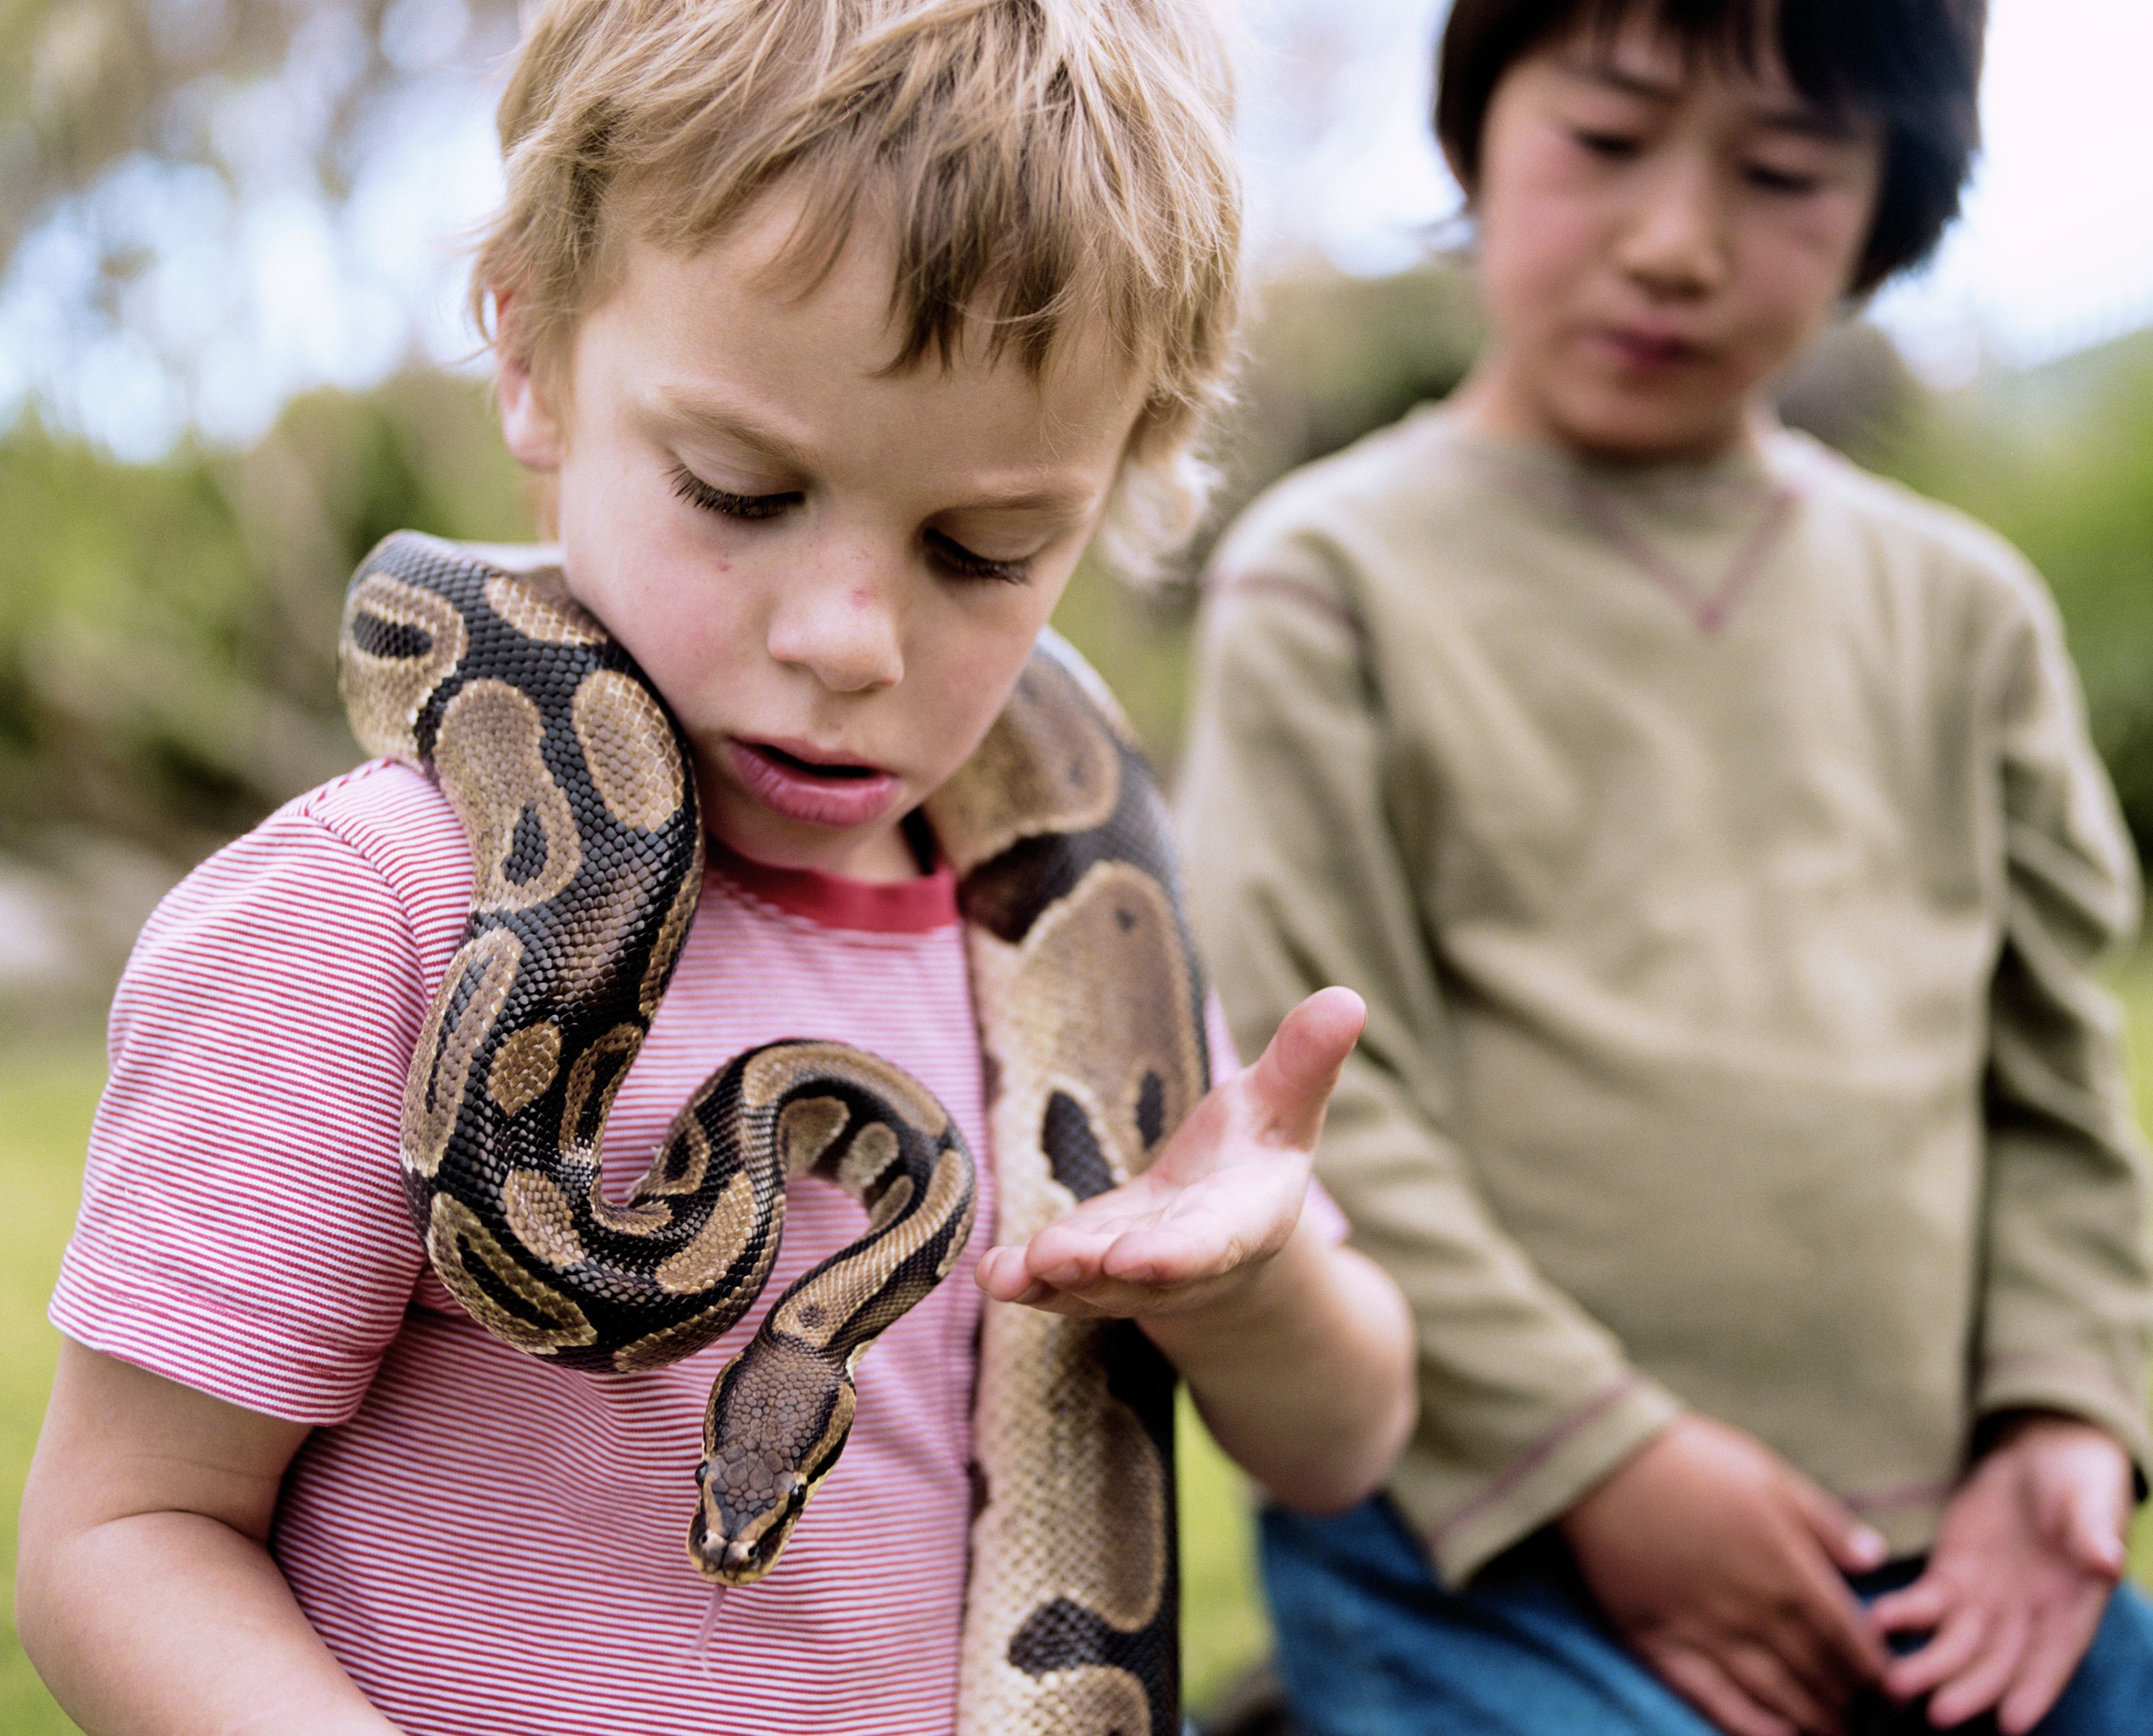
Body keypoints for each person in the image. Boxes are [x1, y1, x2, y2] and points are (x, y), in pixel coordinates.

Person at [12, 4, 1418, 1731]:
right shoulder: (362, 913)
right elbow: (121, 1529)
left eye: (982, 551)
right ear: (526, 353)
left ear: (1117, 488)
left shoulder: (1067, 941)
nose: (846, 641)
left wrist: (1254, 1280)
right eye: (740, 489)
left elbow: (1342, 1442)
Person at [1178, 2, 2153, 1734]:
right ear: (1476, 127)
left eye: (1781, 173)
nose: (1675, 243)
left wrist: (2065, 1406)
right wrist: (1603, 1459)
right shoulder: (1327, 580)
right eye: (1608, 141)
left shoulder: (1958, 610)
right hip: (1481, 1542)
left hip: (1940, 1553)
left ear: (1888, 208)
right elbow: (1331, 1101)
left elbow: (2055, 1075)